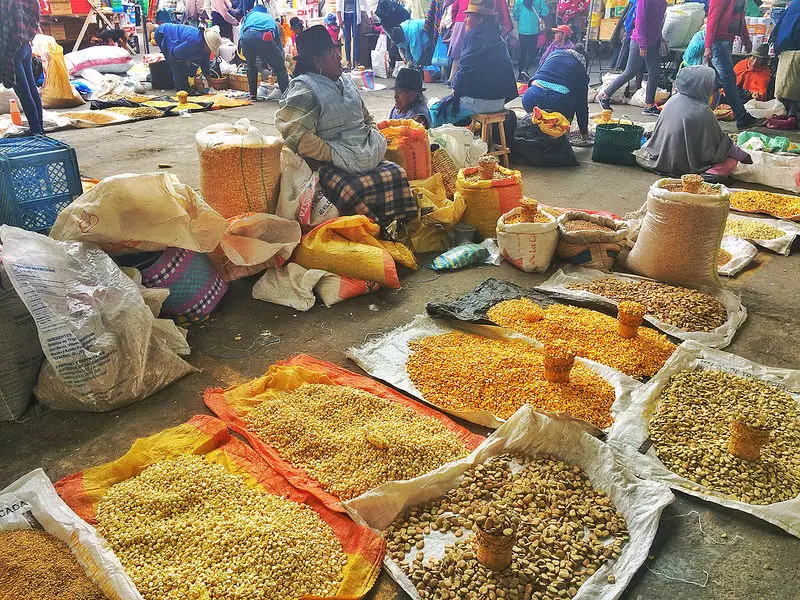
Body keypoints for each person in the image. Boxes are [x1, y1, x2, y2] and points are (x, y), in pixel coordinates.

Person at [275, 25, 416, 224]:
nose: (340, 58)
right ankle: (367, 230)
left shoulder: (346, 81)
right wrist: (336, 156)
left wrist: (371, 141)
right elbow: (299, 137)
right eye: (333, 54)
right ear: (317, 61)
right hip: (329, 164)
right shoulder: (304, 89)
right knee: (352, 189)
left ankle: (398, 226)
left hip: (362, 151)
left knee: (397, 172)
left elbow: (366, 117)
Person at [636, 65, 753, 178]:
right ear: (700, 86)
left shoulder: (672, 100)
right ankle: (708, 176)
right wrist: (743, 156)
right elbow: (722, 145)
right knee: (730, 162)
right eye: (710, 86)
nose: (713, 90)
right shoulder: (703, 111)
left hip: (660, 158)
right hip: (684, 166)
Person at [430, 0, 518, 126]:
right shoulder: (498, 38)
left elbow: (465, 70)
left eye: (468, 16)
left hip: (481, 103)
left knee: (434, 112)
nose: (465, 20)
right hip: (499, 101)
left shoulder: (474, 35)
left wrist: (455, 89)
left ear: (480, 19)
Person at [597, 0, 667, 116]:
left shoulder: (662, 1)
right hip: (639, 41)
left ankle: (649, 105)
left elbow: (659, 21)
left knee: (655, 71)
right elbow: (640, 21)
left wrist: (660, 38)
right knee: (630, 72)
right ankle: (605, 95)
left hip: (654, 41)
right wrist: (642, 44)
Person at [704, 0, 761, 129]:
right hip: (717, 43)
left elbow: (740, 20)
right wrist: (708, 46)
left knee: (715, 83)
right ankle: (741, 117)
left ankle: (704, 117)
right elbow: (712, 20)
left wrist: (746, 40)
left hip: (726, 42)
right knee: (728, 81)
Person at [522, 44, 589, 140]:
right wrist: (584, 134)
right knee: (571, 104)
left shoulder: (555, 54)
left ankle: (532, 140)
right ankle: (562, 143)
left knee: (537, 123)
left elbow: (538, 75)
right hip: (558, 101)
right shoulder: (580, 69)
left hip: (531, 97)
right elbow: (581, 106)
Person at [0, 0, 43, 135]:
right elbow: (34, 20)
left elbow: (7, 26)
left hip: (14, 49)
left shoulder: (7, 2)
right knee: (31, 89)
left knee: (24, 93)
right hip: (25, 46)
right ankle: (39, 127)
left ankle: (36, 131)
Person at [239, 1, 289, 101]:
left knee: (250, 65)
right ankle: (286, 96)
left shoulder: (249, 16)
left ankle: (253, 95)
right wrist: (279, 62)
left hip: (246, 37)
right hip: (265, 37)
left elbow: (242, 33)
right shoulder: (270, 19)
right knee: (280, 69)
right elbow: (278, 44)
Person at [154, 23, 222, 92]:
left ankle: (184, 86)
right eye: (210, 48)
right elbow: (175, 53)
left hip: (180, 45)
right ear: (206, 43)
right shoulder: (195, 41)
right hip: (163, 33)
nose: (210, 50)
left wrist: (210, 83)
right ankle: (181, 89)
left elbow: (205, 65)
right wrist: (188, 61)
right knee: (178, 68)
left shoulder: (205, 48)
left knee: (190, 69)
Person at [513, 0, 550, 82]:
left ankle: (520, 75)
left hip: (522, 30)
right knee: (532, 51)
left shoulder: (519, 1)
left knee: (522, 52)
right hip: (534, 30)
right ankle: (525, 69)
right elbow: (545, 11)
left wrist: (522, 18)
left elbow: (515, 15)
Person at [447, 0, 470, 83]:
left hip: (459, 23)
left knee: (457, 55)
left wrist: (454, 24)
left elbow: (454, 8)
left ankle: (451, 79)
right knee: (469, 53)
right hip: (472, 21)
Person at [337, 0, 362, 68]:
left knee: (356, 39)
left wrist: (369, 15)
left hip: (355, 15)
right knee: (347, 40)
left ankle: (356, 61)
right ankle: (348, 61)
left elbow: (364, 3)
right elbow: (338, 6)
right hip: (345, 16)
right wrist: (340, 20)